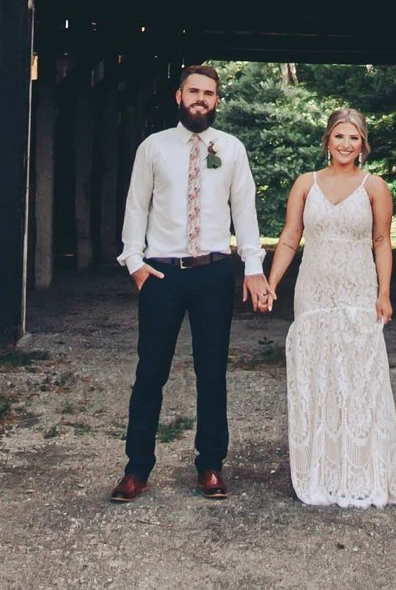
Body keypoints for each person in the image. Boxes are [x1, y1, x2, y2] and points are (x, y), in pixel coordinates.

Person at [111, 63, 273, 503]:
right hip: (161, 273)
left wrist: (253, 267)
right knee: (151, 371)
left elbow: (245, 210)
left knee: (211, 370)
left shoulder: (232, 148)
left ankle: (210, 465)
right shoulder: (154, 147)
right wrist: (134, 262)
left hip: (214, 272)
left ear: (216, 101)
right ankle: (136, 468)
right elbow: (135, 207)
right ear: (178, 97)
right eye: (193, 91)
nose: (201, 99)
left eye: (209, 93)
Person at [265, 106, 396, 507]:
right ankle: (321, 474)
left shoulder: (375, 186)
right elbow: (291, 236)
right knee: (319, 376)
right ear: (327, 140)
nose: (346, 144)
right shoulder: (305, 184)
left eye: (354, 137)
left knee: (359, 378)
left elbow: (382, 241)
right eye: (340, 136)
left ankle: (364, 471)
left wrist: (384, 293)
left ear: (363, 145)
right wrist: (273, 282)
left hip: (358, 289)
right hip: (313, 290)